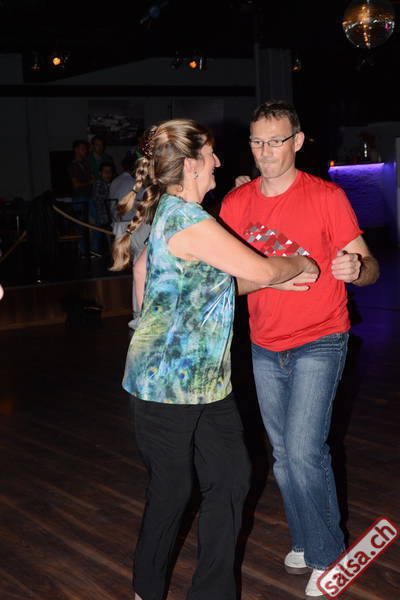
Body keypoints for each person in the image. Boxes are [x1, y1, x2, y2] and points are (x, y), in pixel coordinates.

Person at [111, 118, 319, 600]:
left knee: (230, 479)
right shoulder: (188, 221)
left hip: (208, 385)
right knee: (172, 493)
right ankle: (146, 591)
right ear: (190, 165)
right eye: (210, 156)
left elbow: (211, 285)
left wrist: (272, 281)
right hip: (164, 388)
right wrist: (300, 264)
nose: (219, 163)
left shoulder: (184, 216)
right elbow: (261, 267)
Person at [219, 100, 380, 599]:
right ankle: (307, 538)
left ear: (298, 142)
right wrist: (268, 278)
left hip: (321, 337)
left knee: (306, 451)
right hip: (264, 343)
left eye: (276, 141)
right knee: (285, 456)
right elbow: (224, 282)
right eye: (257, 142)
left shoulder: (327, 197)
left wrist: (358, 269)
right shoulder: (235, 204)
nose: (265, 151)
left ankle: (328, 557)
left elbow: (369, 266)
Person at [110, 153, 151, 331]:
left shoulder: (116, 181)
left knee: (139, 265)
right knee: (142, 266)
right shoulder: (136, 185)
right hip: (134, 226)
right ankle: (141, 313)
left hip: (120, 226)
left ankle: (138, 312)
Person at [67, 139, 94, 257]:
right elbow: (76, 185)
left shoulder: (85, 164)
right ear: (76, 150)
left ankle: (91, 250)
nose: (85, 151)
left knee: (92, 224)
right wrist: (90, 182)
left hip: (88, 197)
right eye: (83, 149)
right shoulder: (73, 166)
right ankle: (84, 251)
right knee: (81, 226)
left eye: (86, 149)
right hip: (79, 198)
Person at [90, 161, 114, 257]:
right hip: (99, 214)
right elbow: (97, 199)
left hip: (105, 214)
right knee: (97, 233)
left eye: (110, 172)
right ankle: (93, 251)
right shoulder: (99, 183)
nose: (108, 174)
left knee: (105, 234)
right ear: (100, 173)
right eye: (105, 172)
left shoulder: (110, 184)